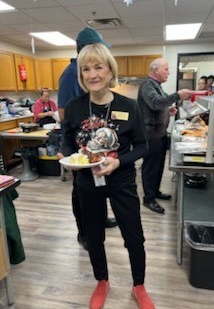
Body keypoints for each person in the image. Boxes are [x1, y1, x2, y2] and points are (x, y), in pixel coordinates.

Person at [60, 43, 155, 309]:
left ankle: (139, 285)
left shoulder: (128, 106)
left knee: (134, 236)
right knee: (93, 235)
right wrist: (67, 157)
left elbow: (142, 147)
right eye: (86, 69)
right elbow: (66, 140)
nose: (92, 74)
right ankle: (102, 280)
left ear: (110, 71)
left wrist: (119, 162)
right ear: (80, 75)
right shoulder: (74, 106)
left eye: (98, 67)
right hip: (87, 182)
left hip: (121, 180)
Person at [57, 28, 117, 250]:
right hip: (79, 145)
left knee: (97, 184)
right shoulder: (71, 74)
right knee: (80, 191)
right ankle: (84, 232)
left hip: (95, 141)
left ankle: (99, 220)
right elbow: (63, 114)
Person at [138, 57, 193, 214]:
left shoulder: (157, 86)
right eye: (166, 69)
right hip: (151, 135)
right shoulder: (147, 85)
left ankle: (155, 191)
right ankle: (148, 199)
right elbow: (155, 103)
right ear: (156, 70)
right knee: (150, 168)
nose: (169, 72)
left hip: (160, 133)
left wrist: (167, 111)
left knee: (159, 166)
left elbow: (159, 106)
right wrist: (177, 95)